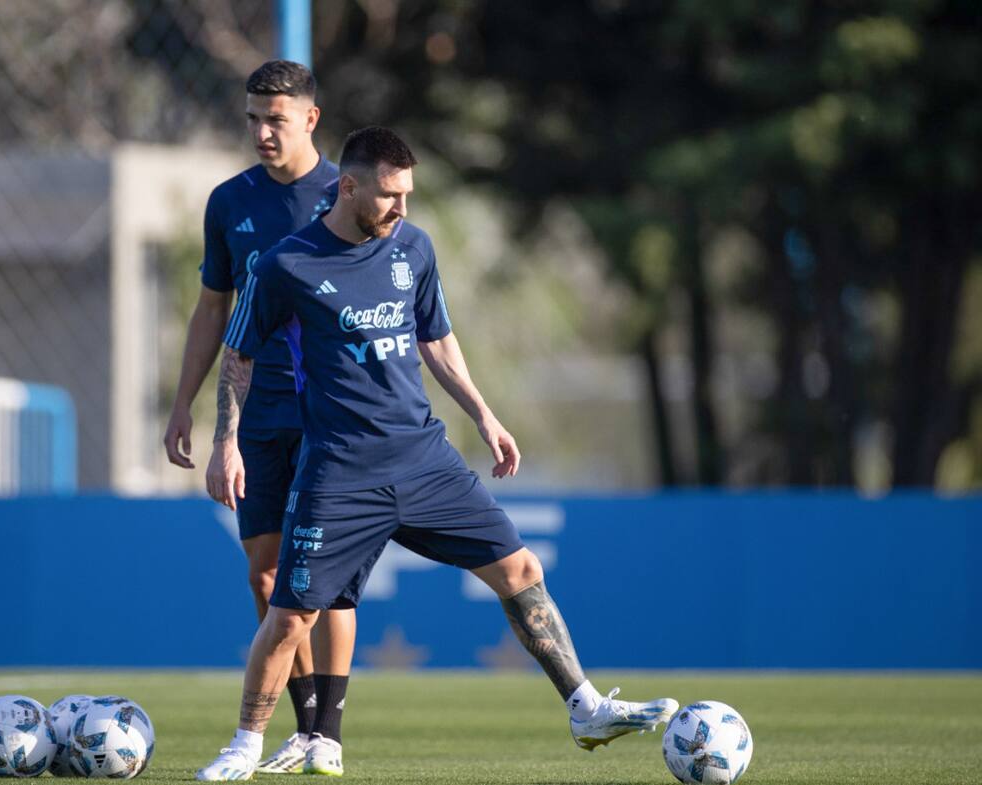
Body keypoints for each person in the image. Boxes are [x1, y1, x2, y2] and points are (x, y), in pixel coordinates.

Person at [195, 126, 678, 782]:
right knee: (291, 615)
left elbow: (437, 338)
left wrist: (483, 413)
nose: (402, 209)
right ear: (350, 186)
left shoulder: (413, 249)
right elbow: (240, 351)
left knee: (521, 569)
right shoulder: (287, 264)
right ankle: (245, 746)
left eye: (409, 195)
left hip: (426, 460)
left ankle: (585, 706)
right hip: (339, 471)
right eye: (390, 195)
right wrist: (226, 440)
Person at [163, 59, 356, 776]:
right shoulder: (230, 201)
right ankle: (305, 726)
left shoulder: (349, 192)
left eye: (275, 118)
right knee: (267, 580)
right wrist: (189, 404)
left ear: (310, 117)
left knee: (324, 580)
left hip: (332, 415)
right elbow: (214, 306)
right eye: (252, 118)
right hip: (258, 411)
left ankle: (325, 730)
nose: (261, 131)